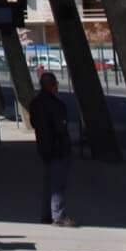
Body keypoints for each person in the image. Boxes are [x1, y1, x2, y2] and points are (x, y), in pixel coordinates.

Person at [29, 70, 76, 227]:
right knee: (58, 184)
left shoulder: (35, 104)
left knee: (48, 181)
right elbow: (61, 127)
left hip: (43, 147)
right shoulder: (56, 104)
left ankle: (46, 214)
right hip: (58, 147)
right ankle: (59, 215)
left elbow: (34, 123)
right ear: (52, 86)